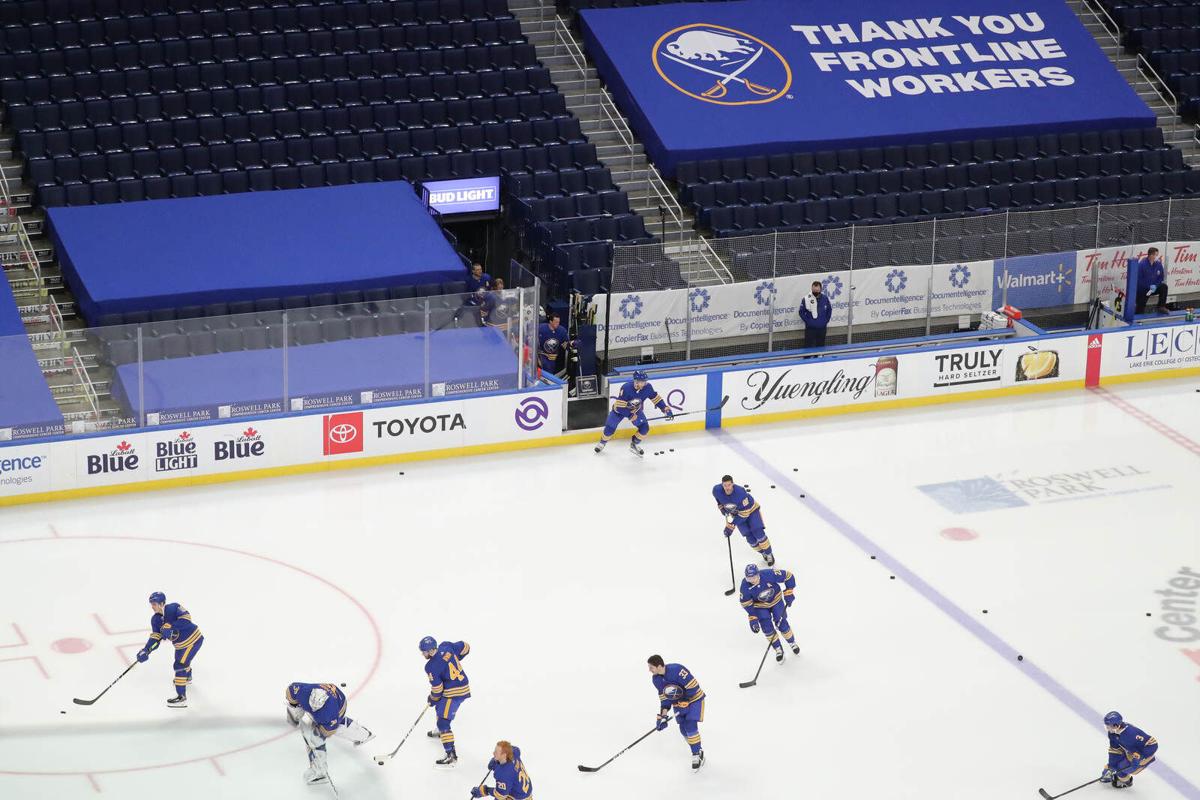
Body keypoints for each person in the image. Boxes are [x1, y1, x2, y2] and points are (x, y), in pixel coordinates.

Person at [285, 682, 374, 786]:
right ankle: (364, 734)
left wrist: (316, 730)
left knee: (315, 739)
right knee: (314, 724)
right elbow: (290, 692)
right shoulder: (302, 691)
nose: (313, 710)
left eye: (316, 709)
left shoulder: (329, 713)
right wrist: (295, 709)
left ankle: (319, 773)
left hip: (339, 704)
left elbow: (328, 731)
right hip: (330, 696)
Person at [137, 592, 203, 708]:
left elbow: (186, 618)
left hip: (193, 640)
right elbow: (156, 637)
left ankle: (181, 697)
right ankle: (187, 677)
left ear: (162, 603)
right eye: (151, 604)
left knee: (180, 665)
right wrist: (146, 650)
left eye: (155, 604)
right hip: (180, 645)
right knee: (182, 660)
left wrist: (172, 626)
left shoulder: (173, 608)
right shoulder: (155, 620)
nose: (152, 606)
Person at [594, 370, 673, 457]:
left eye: (645, 381)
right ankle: (602, 443)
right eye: (642, 382)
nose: (644, 383)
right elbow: (620, 406)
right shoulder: (626, 388)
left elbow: (656, 398)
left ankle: (634, 444)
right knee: (610, 428)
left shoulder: (648, 387)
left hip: (635, 410)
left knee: (644, 428)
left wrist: (664, 408)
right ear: (636, 381)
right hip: (619, 411)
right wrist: (630, 415)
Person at [647, 654, 705, 770]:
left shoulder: (677, 670)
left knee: (690, 725)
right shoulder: (656, 679)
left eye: (651, 667)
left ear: (659, 666)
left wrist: (686, 700)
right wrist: (663, 716)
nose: (649, 670)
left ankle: (696, 755)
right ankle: (698, 749)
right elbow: (665, 698)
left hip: (694, 700)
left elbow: (693, 686)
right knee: (683, 730)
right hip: (678, 702)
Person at [421, 635, 472, 766]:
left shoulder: (431, 666)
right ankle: (440, 731)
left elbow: (437, 690)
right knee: (440, 706)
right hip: (461, 685)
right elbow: (465, 646)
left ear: (432, 650)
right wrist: (455, 659)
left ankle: (451, 755)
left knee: (444, 722)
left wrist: (432, 699)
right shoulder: (447, 647)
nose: (423, 654)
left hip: (454, 693)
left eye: (425, 651)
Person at [739, 564, 799, 663]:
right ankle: (778, 649)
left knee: (781, 623)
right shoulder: (745, 586)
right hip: (760, 606)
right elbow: (746, 603)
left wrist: (789, 591)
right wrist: (753, 617)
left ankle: (792, 642)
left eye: (754, 577)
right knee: (766, 628)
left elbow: (788, 576)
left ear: (758, 574)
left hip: (776, 600)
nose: (752, 580)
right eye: (749, 578)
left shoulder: (768, 574)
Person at [712, 474, 776, 567]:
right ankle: (763, 553)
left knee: (758, 533)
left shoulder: (740, 493)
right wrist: (722, 507)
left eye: (729, 485)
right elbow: (718, 499)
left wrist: (731, 526)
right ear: (722, 485)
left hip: (751, 511)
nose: (727, 488)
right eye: (725, 485)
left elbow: (744, 515)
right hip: (737, 514)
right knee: (750, 539)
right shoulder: (716, 490)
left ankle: (769, 554)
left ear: (732, 484)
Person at [1102, 711, 1157, 789]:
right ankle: (1118, 773)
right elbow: (1114, 750)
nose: (1107, 728)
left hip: (1144, 754)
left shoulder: (1131, 733)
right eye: (1106, 726)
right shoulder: (1112, 733)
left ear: (1116, 725)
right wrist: (1112, 766)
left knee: (1121, 768)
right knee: (1113, 767)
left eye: (1109, 726)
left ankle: (1126, 782)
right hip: (1131, 752)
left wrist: (1140, 756)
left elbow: (1153, 744)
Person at [1134, 248, 1169, 314]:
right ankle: (1138, 316)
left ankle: (1161, 306)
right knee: (1140, 307)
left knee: (1164, 287)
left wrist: (1156, 285)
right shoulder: (1142, 264)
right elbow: (1139, 280)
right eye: (1156, 255)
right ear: (1151, 255)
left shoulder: (1158, 264)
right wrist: (1148, 286)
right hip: (1143, 289)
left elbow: (1161, 277)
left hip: (1153, 288)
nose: (1157, 257)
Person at [799, 280, 833, 348]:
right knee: (808, 347)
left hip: (822, 328)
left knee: (820, 346)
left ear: (820, 289)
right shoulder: (806, 299)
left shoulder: (825, 298)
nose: (815, 292)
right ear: (811, 289)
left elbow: (829, 310)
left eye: (817, 290)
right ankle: (807, 358)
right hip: (810, 329)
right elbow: (801, 312)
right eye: (814, 290)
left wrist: (825, 321)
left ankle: (820, 357)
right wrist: (808, 321)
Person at [536, 312, 571, 377]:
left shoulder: (562, 331)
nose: (557, 324)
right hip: (541, 356)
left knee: (549, 374)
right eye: (556, 322)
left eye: (558, 322)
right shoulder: (540, 328)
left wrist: (571, 345)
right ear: (550, 321)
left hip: (552, 359)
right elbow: (531, 339)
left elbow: (566, 345)